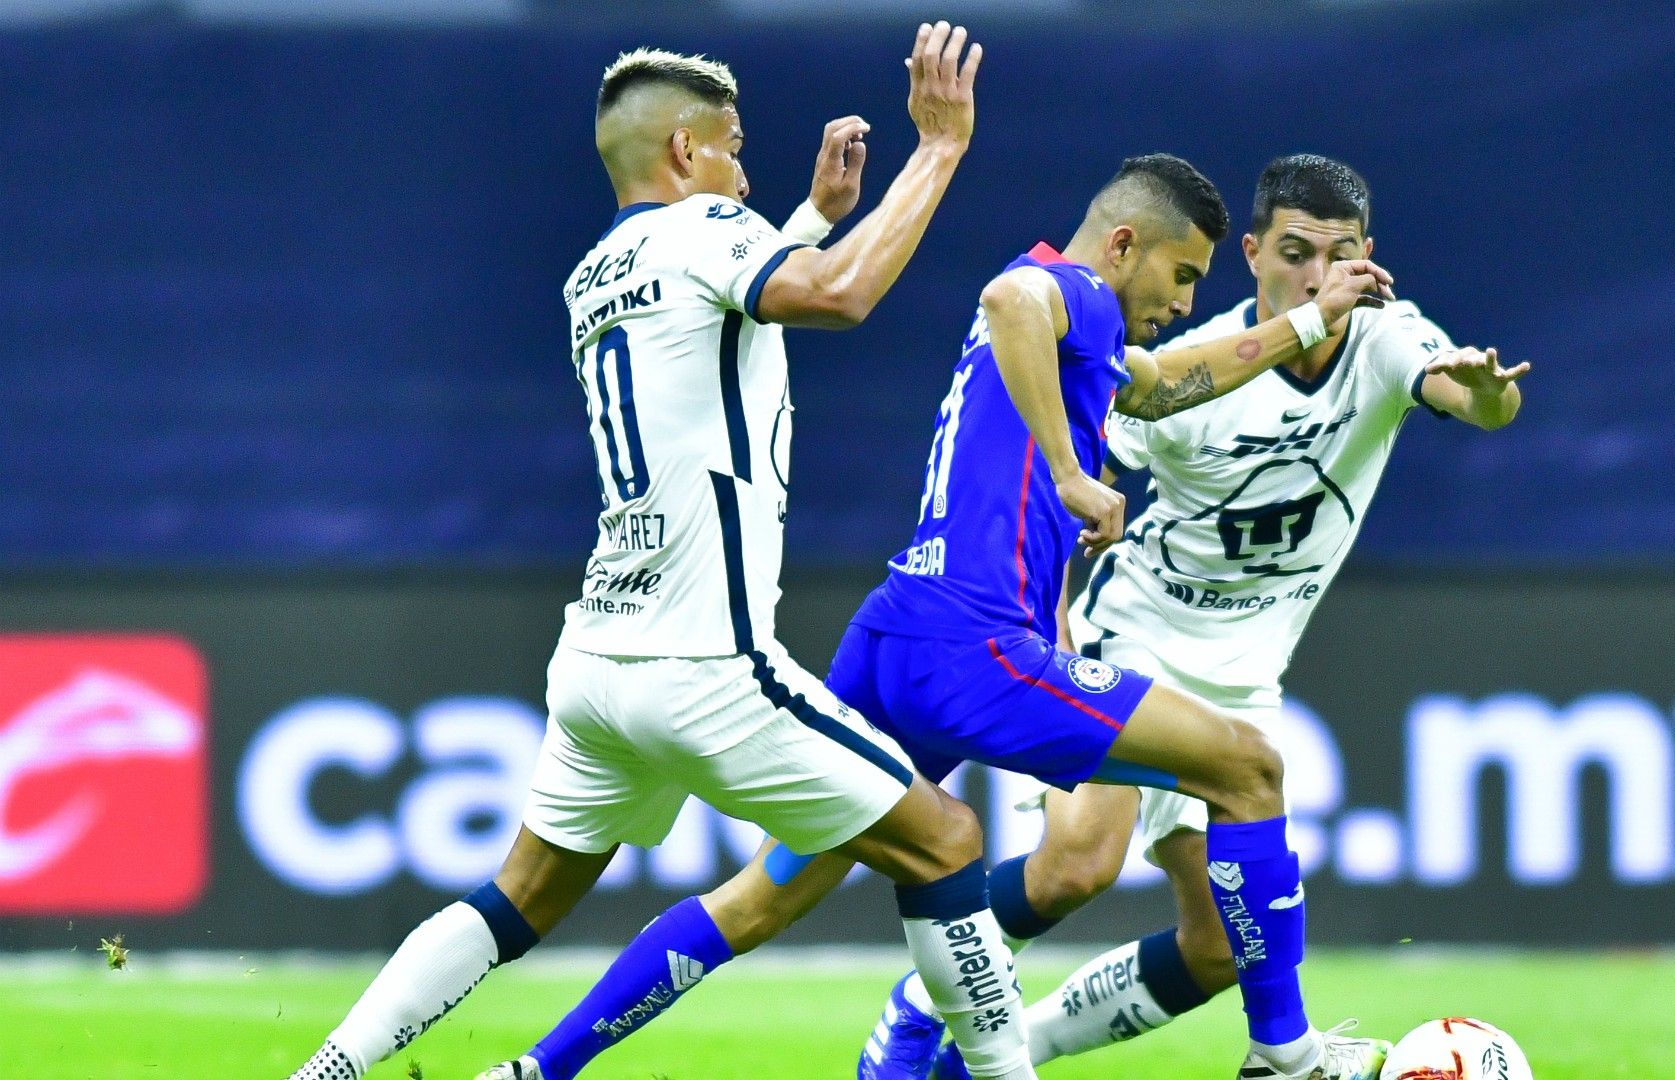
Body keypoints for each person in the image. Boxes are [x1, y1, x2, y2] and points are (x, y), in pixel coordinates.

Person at [491, 153, 1400, 1080]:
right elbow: (1012, 299)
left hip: (893, 637)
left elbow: (1167, 381)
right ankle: (1284, 1055)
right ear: (1124, 245)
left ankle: (537, 1069)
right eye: (1181, 275)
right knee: (1248, 769)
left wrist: (1310, 320)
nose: (1184, 300)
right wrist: (1070, 471)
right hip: (977, 651)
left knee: (761, 897)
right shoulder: (1076, 292)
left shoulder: (1080, 334)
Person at [283, 23, 1039, 1080]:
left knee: (516, 898)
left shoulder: (595, 275)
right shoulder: (707, 228)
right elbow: (837, 294)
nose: (743, 176)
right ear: (686, 152)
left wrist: (814, 218)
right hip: (706, 663)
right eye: (732, 149)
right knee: (946, 839)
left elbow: (715, 321)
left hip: (599, 661)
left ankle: (329, 1069)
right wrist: (940, 149)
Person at [884, 154, 1532, 1080]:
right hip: (1138, 630)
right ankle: (919, 1005)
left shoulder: (1388, 340)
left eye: (1340, 256)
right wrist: (1053, 620)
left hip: (1247, 670)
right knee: (1078, 863)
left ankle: (994, 1056)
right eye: (1296, 254)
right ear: (1256, 255)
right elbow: (1063, 490)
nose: (1318, 276)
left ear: (1368, 257)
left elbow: (1473, 401)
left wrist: (1489, 392)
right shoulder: (1202, 370)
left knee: (1220, 947)